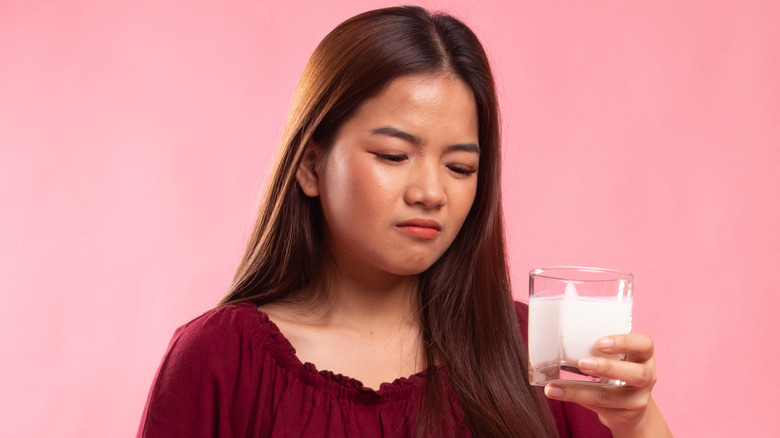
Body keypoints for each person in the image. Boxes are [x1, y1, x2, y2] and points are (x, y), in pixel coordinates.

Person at [137, 6, 672, 437]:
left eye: (460, 167)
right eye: (394, 156)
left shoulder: (536, 351)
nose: (431, 193)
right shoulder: (219, 360)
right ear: (310, 165)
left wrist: (635, 421)